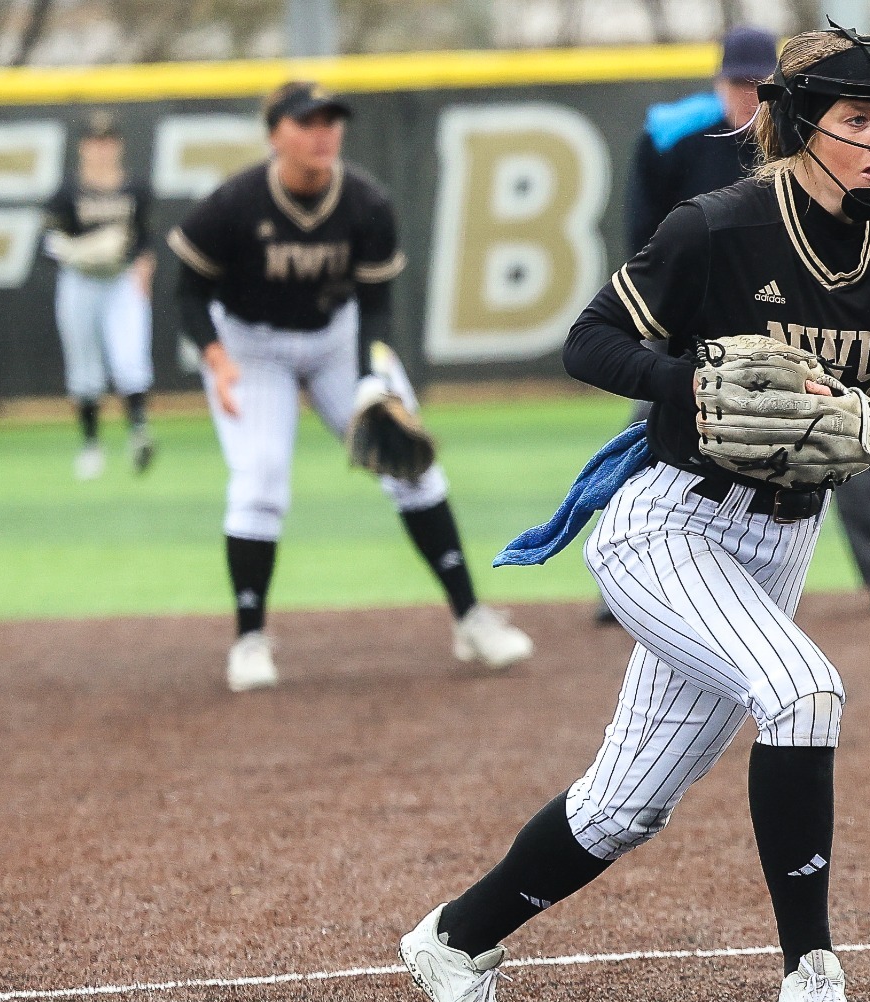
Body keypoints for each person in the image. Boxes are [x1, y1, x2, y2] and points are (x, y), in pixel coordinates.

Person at [399, 24, 870, 1002]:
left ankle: (454, 939)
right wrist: (689, 382)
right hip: (668, 520)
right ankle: (810, 975)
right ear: (800, 125)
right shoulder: (715, 228)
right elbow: (588, 339)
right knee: (802, 689)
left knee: (623, 807)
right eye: (857, 118)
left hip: (780, 541)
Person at [167, 80, 533, 693]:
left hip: (339, 339)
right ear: (275, 133)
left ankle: (471, 618)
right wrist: (215, 357)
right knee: (258, 480)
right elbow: (188, 290)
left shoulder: (365, 202)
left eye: (331, 121)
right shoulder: (234, 204)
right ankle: (250, 639)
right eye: (307, 121)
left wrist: (369, 377)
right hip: (251, 348)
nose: (324, 133)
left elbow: (376, 304)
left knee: (411, 465)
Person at [592, 24, 870, 624]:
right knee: (656, 425)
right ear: (718, 83)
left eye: (759, 83)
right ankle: (624, 584)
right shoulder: (673, 134)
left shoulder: (797, 133)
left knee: (848, 424)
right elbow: (644, 230)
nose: (747, 95)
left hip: (801, 316)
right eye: (737, 82)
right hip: (697, 319)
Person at [44, 110, 155, 480]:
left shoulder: (135, 189)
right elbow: (49, 243)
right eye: (95, 141)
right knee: (84, 369)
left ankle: (139, 433)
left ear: (119, 146)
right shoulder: (67, 192)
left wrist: (143, 267)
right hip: (81, 281)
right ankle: (91, 446)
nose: (102, 149)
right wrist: (83, 250)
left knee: (130, 358)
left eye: (108, 141)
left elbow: (144, 240)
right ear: (82, 148)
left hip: (121, 280)